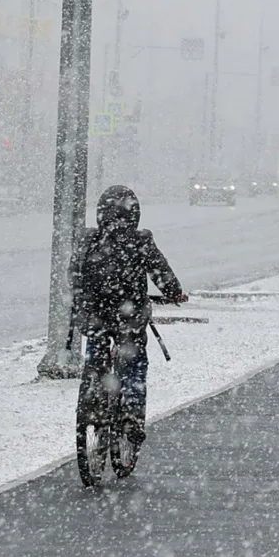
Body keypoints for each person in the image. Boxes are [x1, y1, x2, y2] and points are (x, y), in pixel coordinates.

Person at [71, 185, 187, 450]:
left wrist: (81, 302)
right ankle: (131, 415)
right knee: (134, 362)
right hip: (129, 316)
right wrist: (173, 292)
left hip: (95, 314)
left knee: (96, 354)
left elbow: (74, 273)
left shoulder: (89, 240)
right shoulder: (141, 240)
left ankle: (92, 394)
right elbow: (160, 271)